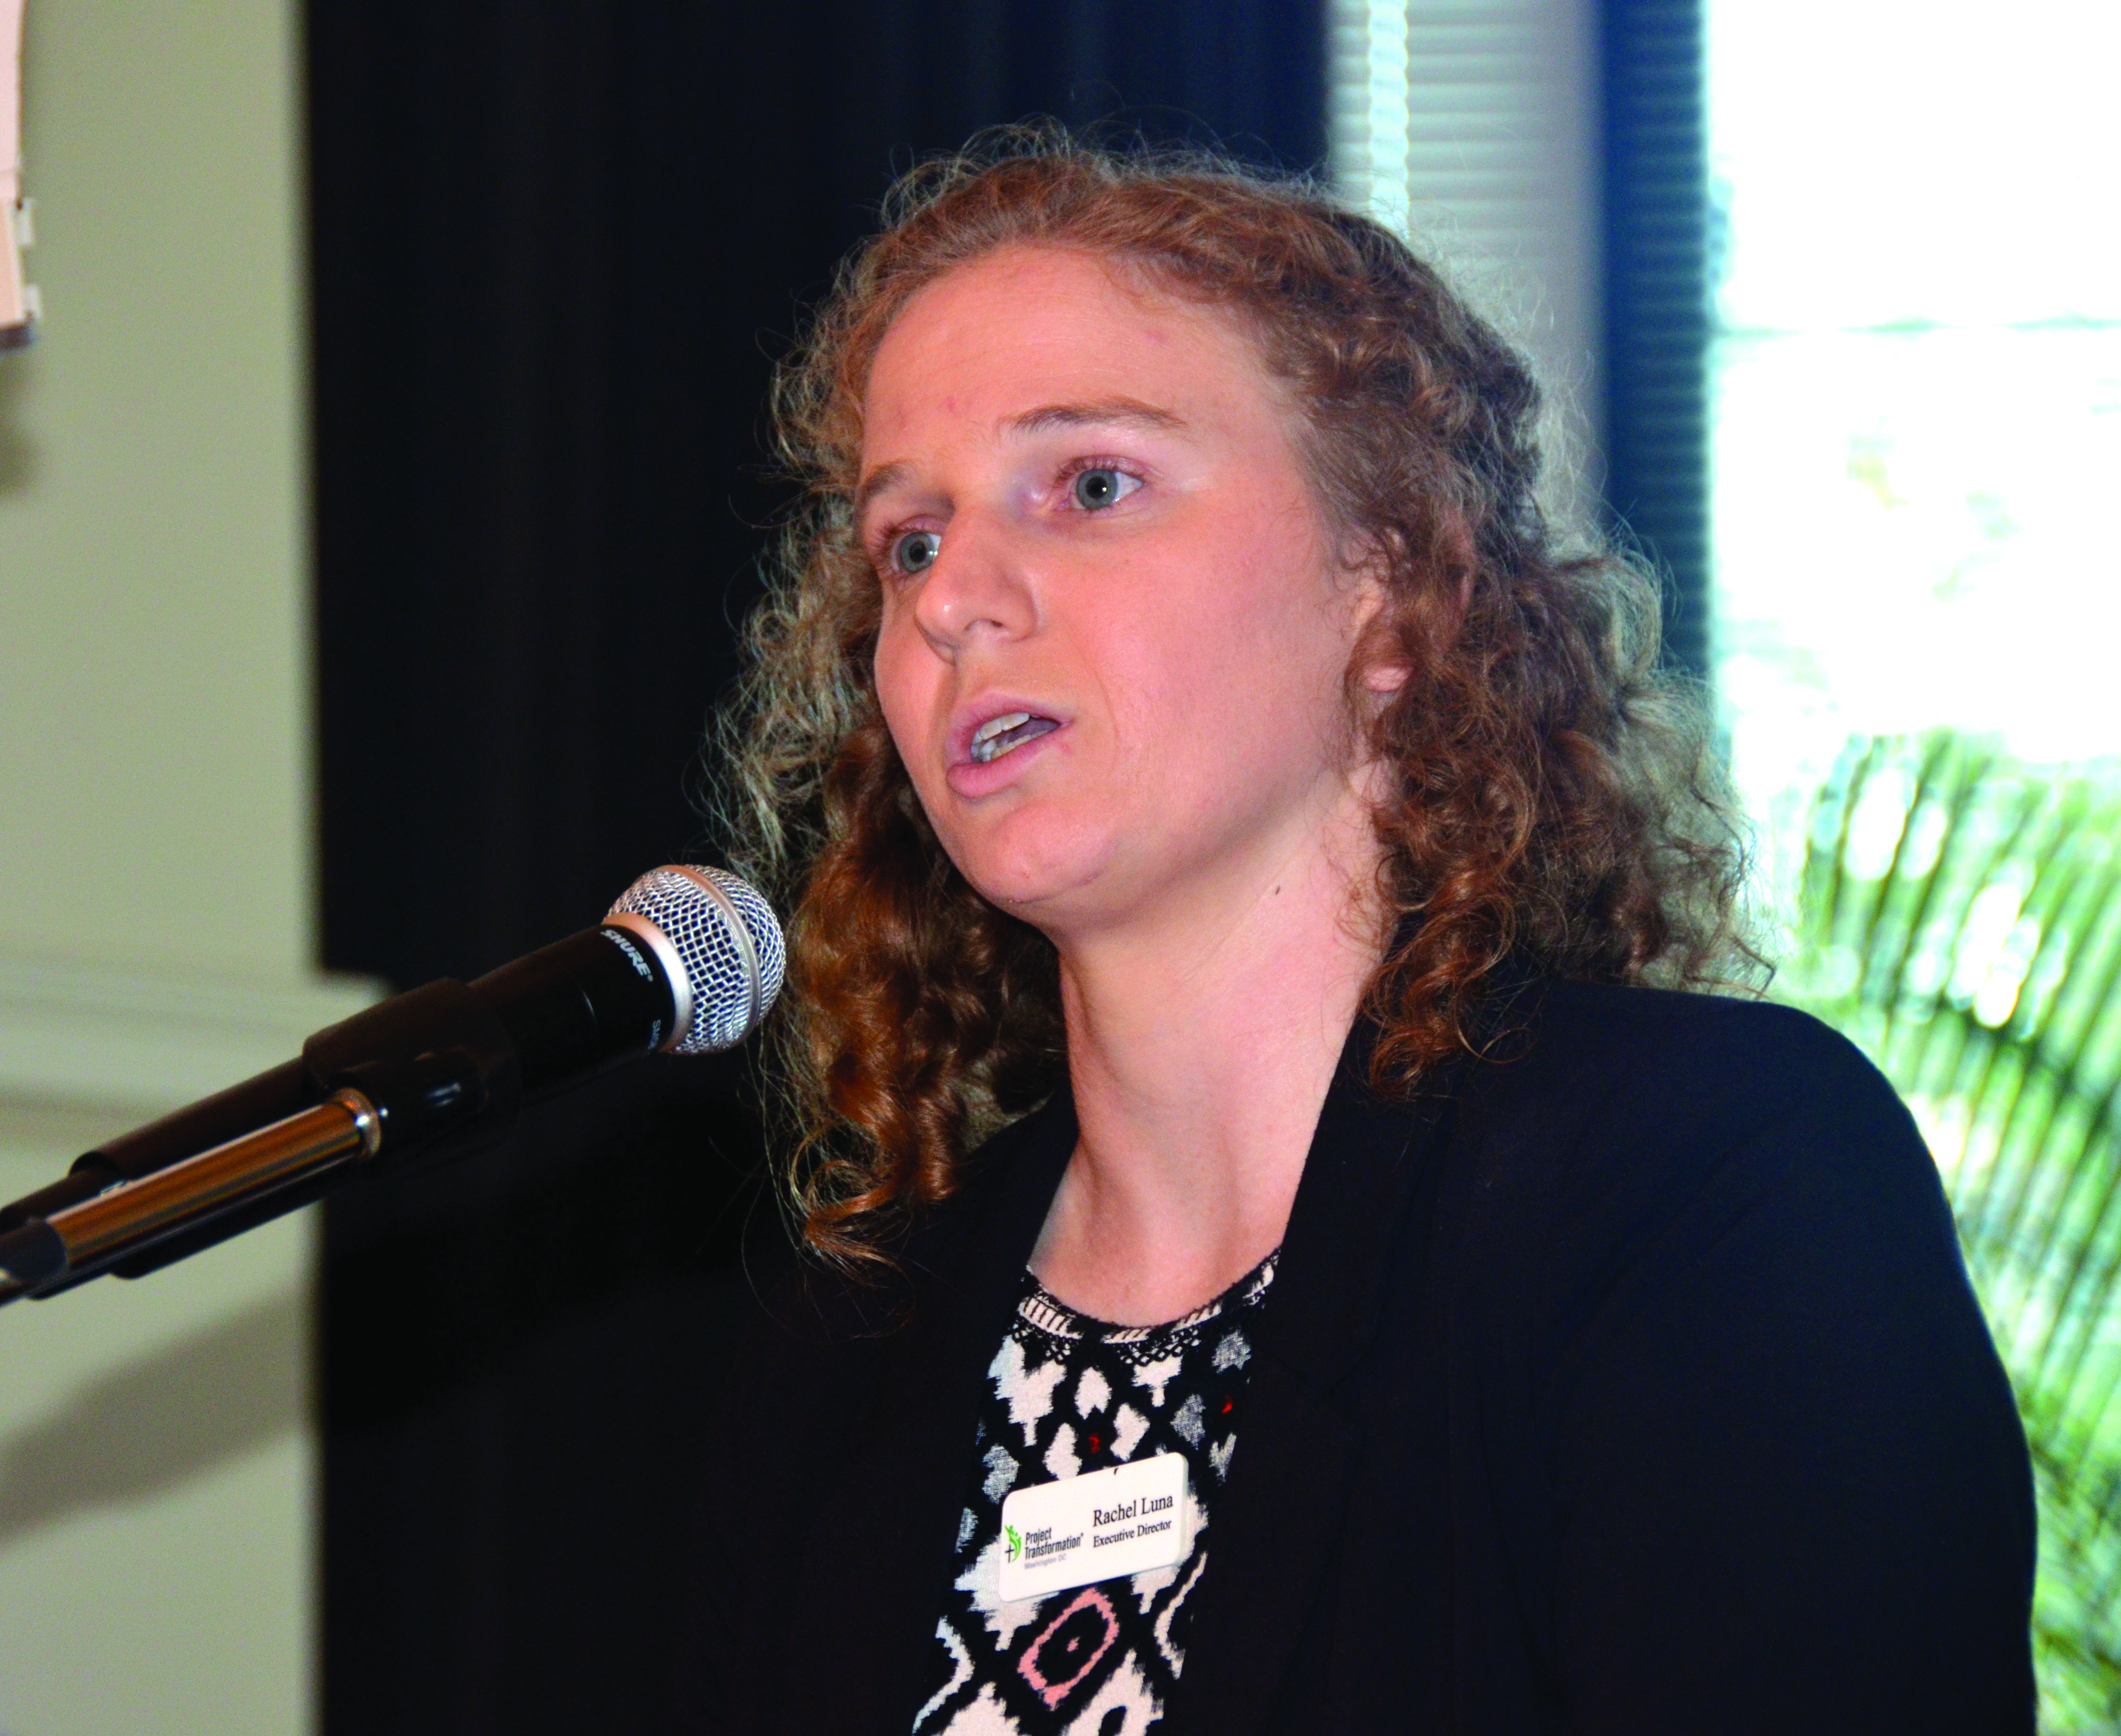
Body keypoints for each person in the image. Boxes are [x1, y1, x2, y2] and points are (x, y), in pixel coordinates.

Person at [674, 130, 2036, 1734]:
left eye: (1092, 483)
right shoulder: (848, 1350)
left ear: (1385, 591)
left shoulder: (1705, 1184)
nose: (955, 596)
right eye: (908, 539)